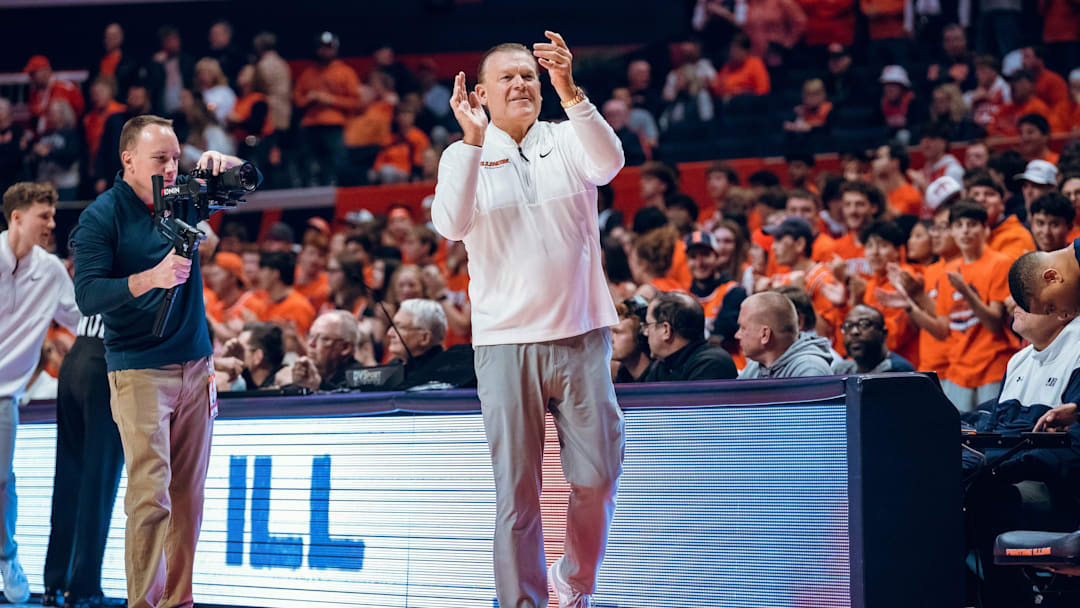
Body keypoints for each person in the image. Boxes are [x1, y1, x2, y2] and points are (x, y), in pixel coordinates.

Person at [431, 32, 625, 607]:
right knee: (517, 497)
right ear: (482, 94)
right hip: (505, 345)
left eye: (530, 76)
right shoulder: (461, 154)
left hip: (581, 333)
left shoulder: (568, 138)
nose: (521, 84)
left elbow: (611, 164)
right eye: (508, 78)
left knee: (598, 475)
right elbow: (450, 224)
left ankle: (574, 584)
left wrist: (571, 92)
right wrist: (469, 144)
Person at [70, 114, 253, 608]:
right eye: (160, 159)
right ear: (128, 159)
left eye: (176, 157)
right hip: (138, 368)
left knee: (189, 496)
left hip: (196, 364)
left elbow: (251, 181)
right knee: (151, 495)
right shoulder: (101, 216)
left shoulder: (185, 197)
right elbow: (86, 295)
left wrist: (227, 162)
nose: (172, 167)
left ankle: (180, 601)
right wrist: (149, 278)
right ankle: (143, 603)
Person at [1, 182, 80, 604]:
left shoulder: (49, 270)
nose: (52, 224)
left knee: (0, 482)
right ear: (17, 218)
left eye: (52, 215)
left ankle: (6, 557)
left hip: (3, 396)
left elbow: (80, 319)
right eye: (43, 216)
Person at [43, 313, 124, 608]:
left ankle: (54, 583)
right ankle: (84, 587)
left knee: (69, 476)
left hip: (75, 357)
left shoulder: (93, 264)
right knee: (98, 481)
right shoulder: (142, 265)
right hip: (107, 358)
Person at [641, 291, 737, 382]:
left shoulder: (712, 365)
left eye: (648, 325)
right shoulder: (660, 366)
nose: (645, 332)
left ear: (666, 330)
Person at [736, 291, 834, 378]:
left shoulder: (810, 371)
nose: (737, 335)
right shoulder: (756, 365)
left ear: (765, 335)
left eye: (743, 328)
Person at [284, 311, 361, 391]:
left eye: (324, 338)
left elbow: (345, 399)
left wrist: (318, 386)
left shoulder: (358, 377)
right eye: (311, 336)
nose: (311, 343)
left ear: (345, 348)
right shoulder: (310, 376)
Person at [833, 305, 915, 373]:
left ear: (883, 333)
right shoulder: (841, 370)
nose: (854, 332)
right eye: (848, 326)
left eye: (864, 324)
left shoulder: (898, 371)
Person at [611, 296, 651, 383]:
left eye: (618, 332)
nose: (611, 340)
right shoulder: (622, 376)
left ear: (641, 335)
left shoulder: (660, 378)